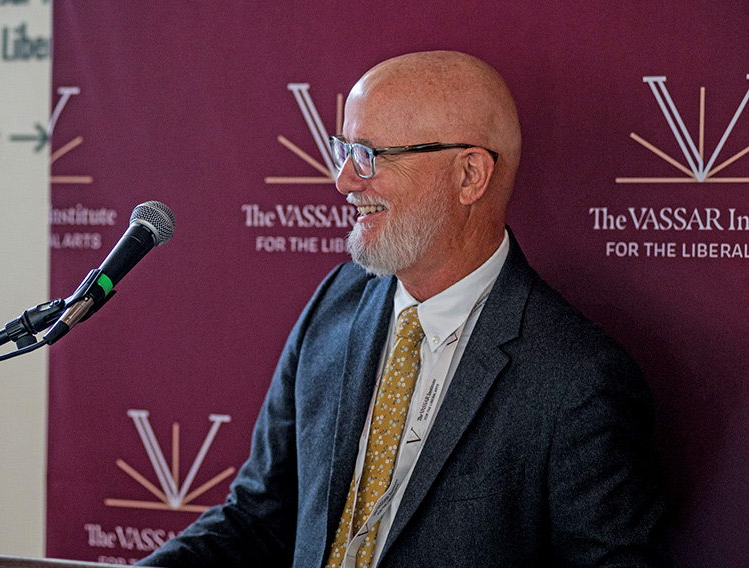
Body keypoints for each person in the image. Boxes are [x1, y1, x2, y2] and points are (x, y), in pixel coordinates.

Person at [138, 51, 668, 567]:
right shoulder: (334, 304)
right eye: (342, 149)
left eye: (368, 154)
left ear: (469, 176)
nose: (344, 180)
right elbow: (259, 517)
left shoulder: (578, 379)